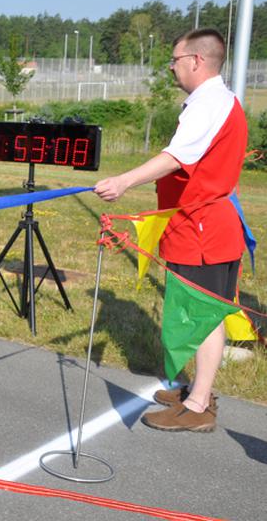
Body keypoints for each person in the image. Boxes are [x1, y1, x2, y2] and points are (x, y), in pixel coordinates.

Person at [94, 28, 247, 433]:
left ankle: (198, 405)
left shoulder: (209, 103)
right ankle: (196, 389)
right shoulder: (216, 101)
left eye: (175, 60)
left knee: (204, 313)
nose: (172, 68)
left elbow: (177, 157)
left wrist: (124, 181)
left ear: (196, 60)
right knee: (200, 311)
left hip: (204, 230)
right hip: (202, 225)